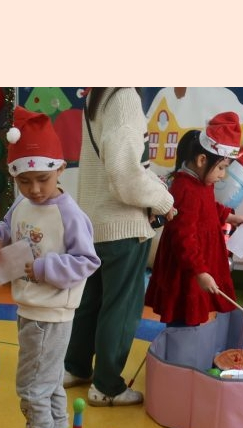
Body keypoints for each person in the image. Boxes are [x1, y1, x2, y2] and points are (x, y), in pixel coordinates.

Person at [0, 108, 100, 428]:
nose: (34, 189)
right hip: (30, 308)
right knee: (47, 382)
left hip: (50, 313)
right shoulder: (23, 203)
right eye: (24, 181)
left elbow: (87, 261)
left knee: (31, 385)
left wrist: (46, 268)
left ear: (60, 169)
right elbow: (6, 226)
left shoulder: (70, 214)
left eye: (42, 180)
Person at [62, 87, 177, 407]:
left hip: (94, 222)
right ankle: (107, 386)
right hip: (122, 225)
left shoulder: (99, 94)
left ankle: (75, 367)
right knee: (120, 309)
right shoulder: (124, 97)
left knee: (90, 303)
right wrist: (164, 200)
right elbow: (125, 174)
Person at [146, 112, 243, 328]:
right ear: (201, 160)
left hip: (198, 262)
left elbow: (208, 207)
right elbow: (183, 238)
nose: (223, 175)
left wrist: (228, 216)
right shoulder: (185, 189)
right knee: (184, 315)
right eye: (221, 168)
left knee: (194, 312)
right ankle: (178, 347)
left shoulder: (201, 183)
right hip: (188, 266)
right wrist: (200, 272)